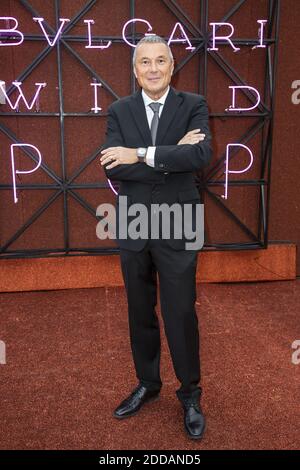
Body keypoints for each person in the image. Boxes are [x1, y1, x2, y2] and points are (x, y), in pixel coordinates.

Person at [100, 35, 212, 440]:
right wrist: (168, 155)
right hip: (132, 222)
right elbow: (114, 167)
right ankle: (148, 383)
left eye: (160, 61)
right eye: (144, 62)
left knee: (181, 312)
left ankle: (190, 395)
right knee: (139, 310)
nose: (152, 68)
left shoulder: (194, 105)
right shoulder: (119, 110)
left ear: (171, 66)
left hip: (179, 221)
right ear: (135, 70)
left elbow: (198, 158)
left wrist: (140, 154)